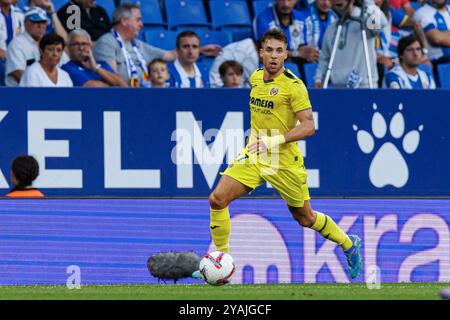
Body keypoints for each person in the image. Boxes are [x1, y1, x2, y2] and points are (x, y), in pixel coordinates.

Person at [192, 29, 362, 281]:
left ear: (286, 55)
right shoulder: (256, 77)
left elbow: (309, 125)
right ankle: (220, 265)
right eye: (269, 50)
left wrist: (274, 139)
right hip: (255, 156)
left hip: (284, 161)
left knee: (305, 217)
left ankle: (348, 244)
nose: (273, 56)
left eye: (279, 51)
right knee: (217, 199)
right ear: (261, 52)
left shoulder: (294, 87)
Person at [93, 2, 176, 87]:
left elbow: (170, 55)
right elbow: (112, 78)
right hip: (121, 96)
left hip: (142, 95)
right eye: (138, 20)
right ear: (124, 21)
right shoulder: (106, 42)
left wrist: (187, 41)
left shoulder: (137, 44)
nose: (141, 24)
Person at [314, 0, 388, 88]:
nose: (336, 9)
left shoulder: (364, 21)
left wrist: (368, 3)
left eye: (340, 5)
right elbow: (324, 58)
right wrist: (319, 79)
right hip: (338, 86)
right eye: (333, 7)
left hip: (364, 85)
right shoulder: (331, 28)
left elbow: (380, 23)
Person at [62, 28, 127, 87]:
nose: (81, 48)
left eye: (84, 44)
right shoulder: (67, 68)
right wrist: (113, 84)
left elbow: (124, 85)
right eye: (76, 44)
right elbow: (95, 88)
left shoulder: (102, 64)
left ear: (90, 46)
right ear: (69, 47)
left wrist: (96, 68)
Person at [4, 6, 46, 86]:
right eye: (36, 21)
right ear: (25, 23)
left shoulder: (50, 43)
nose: (40, 25)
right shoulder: (16, 44)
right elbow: (20, 75)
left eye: (43, 22)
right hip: (19, 95)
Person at [414, 0, 450, 80]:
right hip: (439, 61)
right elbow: (437, 38)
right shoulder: (422, 13)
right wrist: (442, 35)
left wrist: (444, 34)